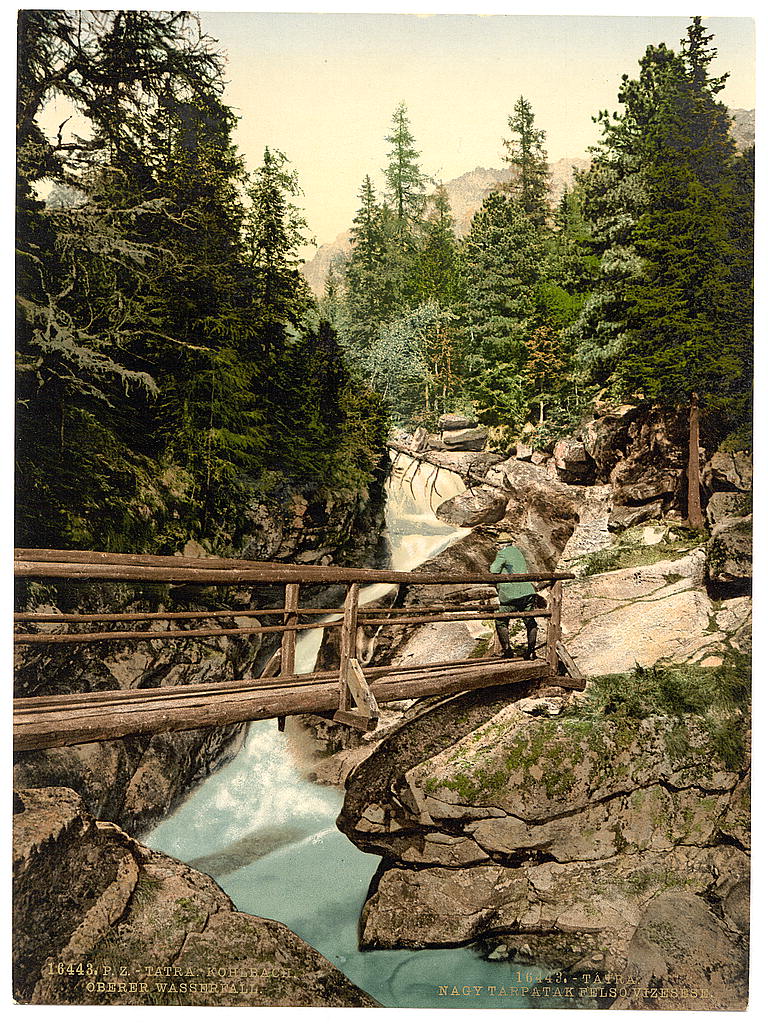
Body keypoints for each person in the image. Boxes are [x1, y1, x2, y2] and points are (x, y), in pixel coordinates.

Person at [489, 540, 537, 659]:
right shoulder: (518, 552)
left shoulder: (502, 553)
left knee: (500, 620)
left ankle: (507, 650)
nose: (497, 547)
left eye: (499, 544)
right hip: (527, 592)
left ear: (504, 545)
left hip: (512, 594)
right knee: (530, 621)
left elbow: (493, 570)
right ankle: (531, 651)